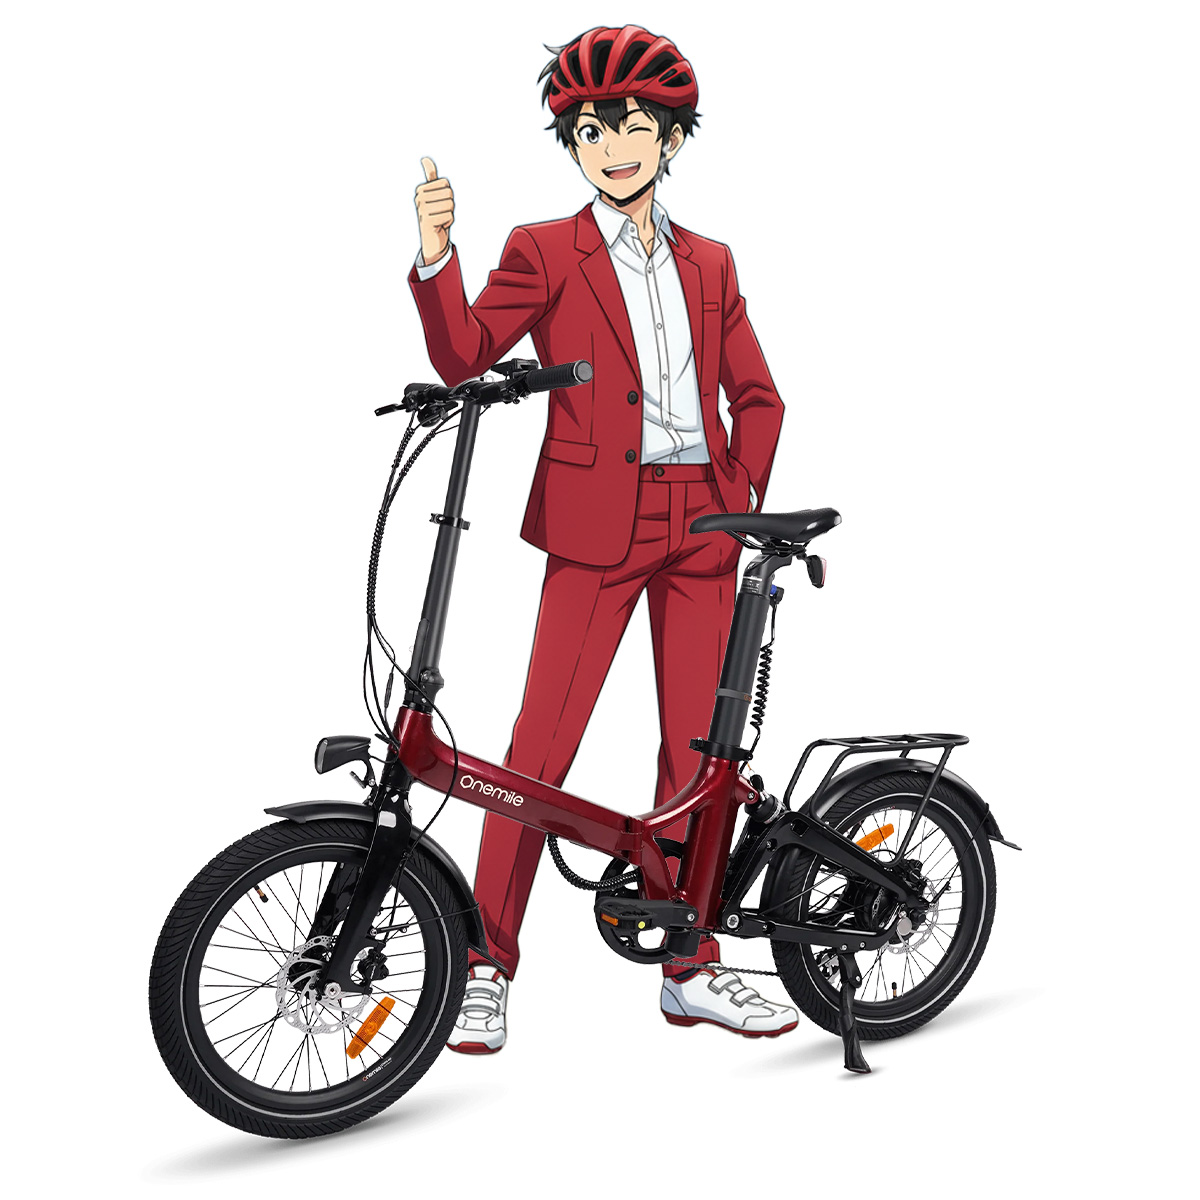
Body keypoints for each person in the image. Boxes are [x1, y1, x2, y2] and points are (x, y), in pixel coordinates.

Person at [409, 25, 793, 1052]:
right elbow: (465, 354)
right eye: (590, 130)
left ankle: (689, 966)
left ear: (672, 137)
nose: (612, 147)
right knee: (536, 751)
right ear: (572, 144)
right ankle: (485, 962)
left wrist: (738, 494)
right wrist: (437, 256)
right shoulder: (545, 249)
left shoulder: (711, 261)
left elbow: (758, 395)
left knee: (698, 753)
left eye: (631, 126)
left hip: (704, 522)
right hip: (595, 529)